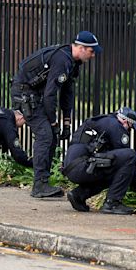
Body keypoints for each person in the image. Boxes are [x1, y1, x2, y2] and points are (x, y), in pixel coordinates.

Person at [11, 31, 102, 198]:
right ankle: (39, 185)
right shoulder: (62, 60)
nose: (93, 55)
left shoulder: (72, 63)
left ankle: (43, 182)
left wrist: (66, 121)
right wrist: (53, 121)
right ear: (81, 48)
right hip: (25, 93)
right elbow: (50, 95)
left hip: (37, 94)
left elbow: (67, 92)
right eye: (91, 51)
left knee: (51, 135)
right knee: (45, 135)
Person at [63, 107, 136, 214]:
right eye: (130, 128)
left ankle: (79, 195)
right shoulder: (117, 126)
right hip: (84, 167)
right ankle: (112, 204)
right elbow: (127, 160)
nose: (128, 131)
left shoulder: (101, 121)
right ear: (125, 121)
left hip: (71, 168)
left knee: (112, 170)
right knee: (130, 155)